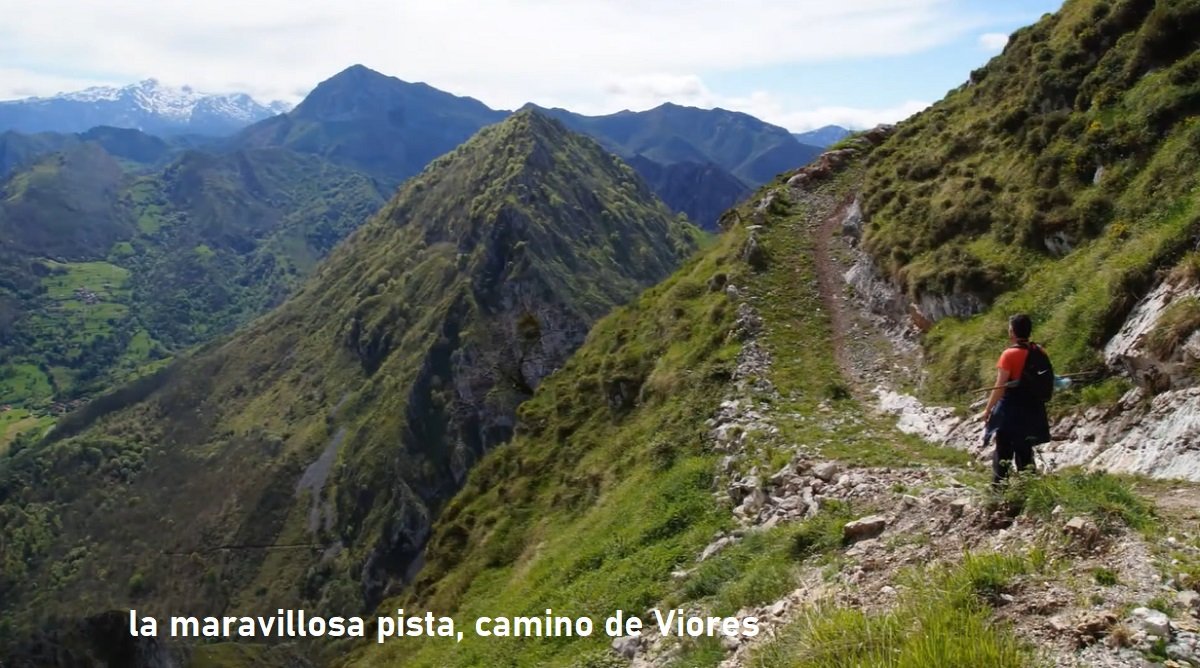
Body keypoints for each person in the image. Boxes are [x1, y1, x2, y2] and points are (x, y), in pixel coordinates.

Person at [983, 313, 1052, 486]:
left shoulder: (1009, 354)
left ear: (1012, 331)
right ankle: (1029, 489)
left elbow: (1000, 387)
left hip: (1011, 411)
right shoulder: (1040, 351)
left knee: (1003, 452)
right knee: (1025, 450)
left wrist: (988, 409)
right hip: (1033, 410)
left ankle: (999, 493)